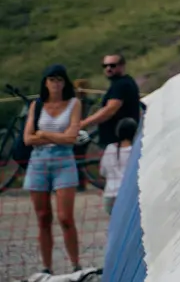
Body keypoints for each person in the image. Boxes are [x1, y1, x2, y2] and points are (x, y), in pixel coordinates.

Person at [24, 64, 85, 276]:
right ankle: (47, 266)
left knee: (65, 217)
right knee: (42, 217)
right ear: (45, 82)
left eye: (59, 80)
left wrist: (43, 135)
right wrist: (47, 137)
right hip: (38, 162)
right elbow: (27, 138)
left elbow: (71, 138)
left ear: (65, 82)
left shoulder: (74, 103)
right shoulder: (37, 105)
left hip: (63, 161)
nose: (55, 84)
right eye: (51, 80)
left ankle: (76, 264)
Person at [77, 51, 140, 149]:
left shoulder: (121, 85)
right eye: (105, 66)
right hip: (115, 141)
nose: (108, 68)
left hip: (118, 143)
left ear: (122, 66)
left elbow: (109, 110)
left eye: (112, 65)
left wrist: (83, 123)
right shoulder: (121, 83)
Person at [101, 116, 136, 220]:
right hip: (129, 196)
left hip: (110, 196)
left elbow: (102, 172)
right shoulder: (136, 151)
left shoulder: (110, 148)